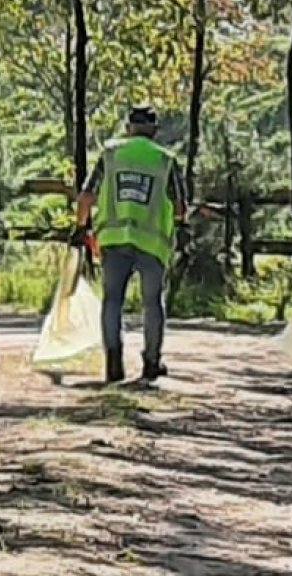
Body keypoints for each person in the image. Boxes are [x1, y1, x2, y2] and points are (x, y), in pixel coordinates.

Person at [70, 104, 187, 383]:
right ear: (154, 130)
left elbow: (86, 197)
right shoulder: (165, 160)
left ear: (127, 127)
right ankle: (151, 363)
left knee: (112, 301)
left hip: (112, 240)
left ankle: (113, 362)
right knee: (152, 303)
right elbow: (181, 208)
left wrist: (80, 228)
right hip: (152, 243)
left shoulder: (110, 154)